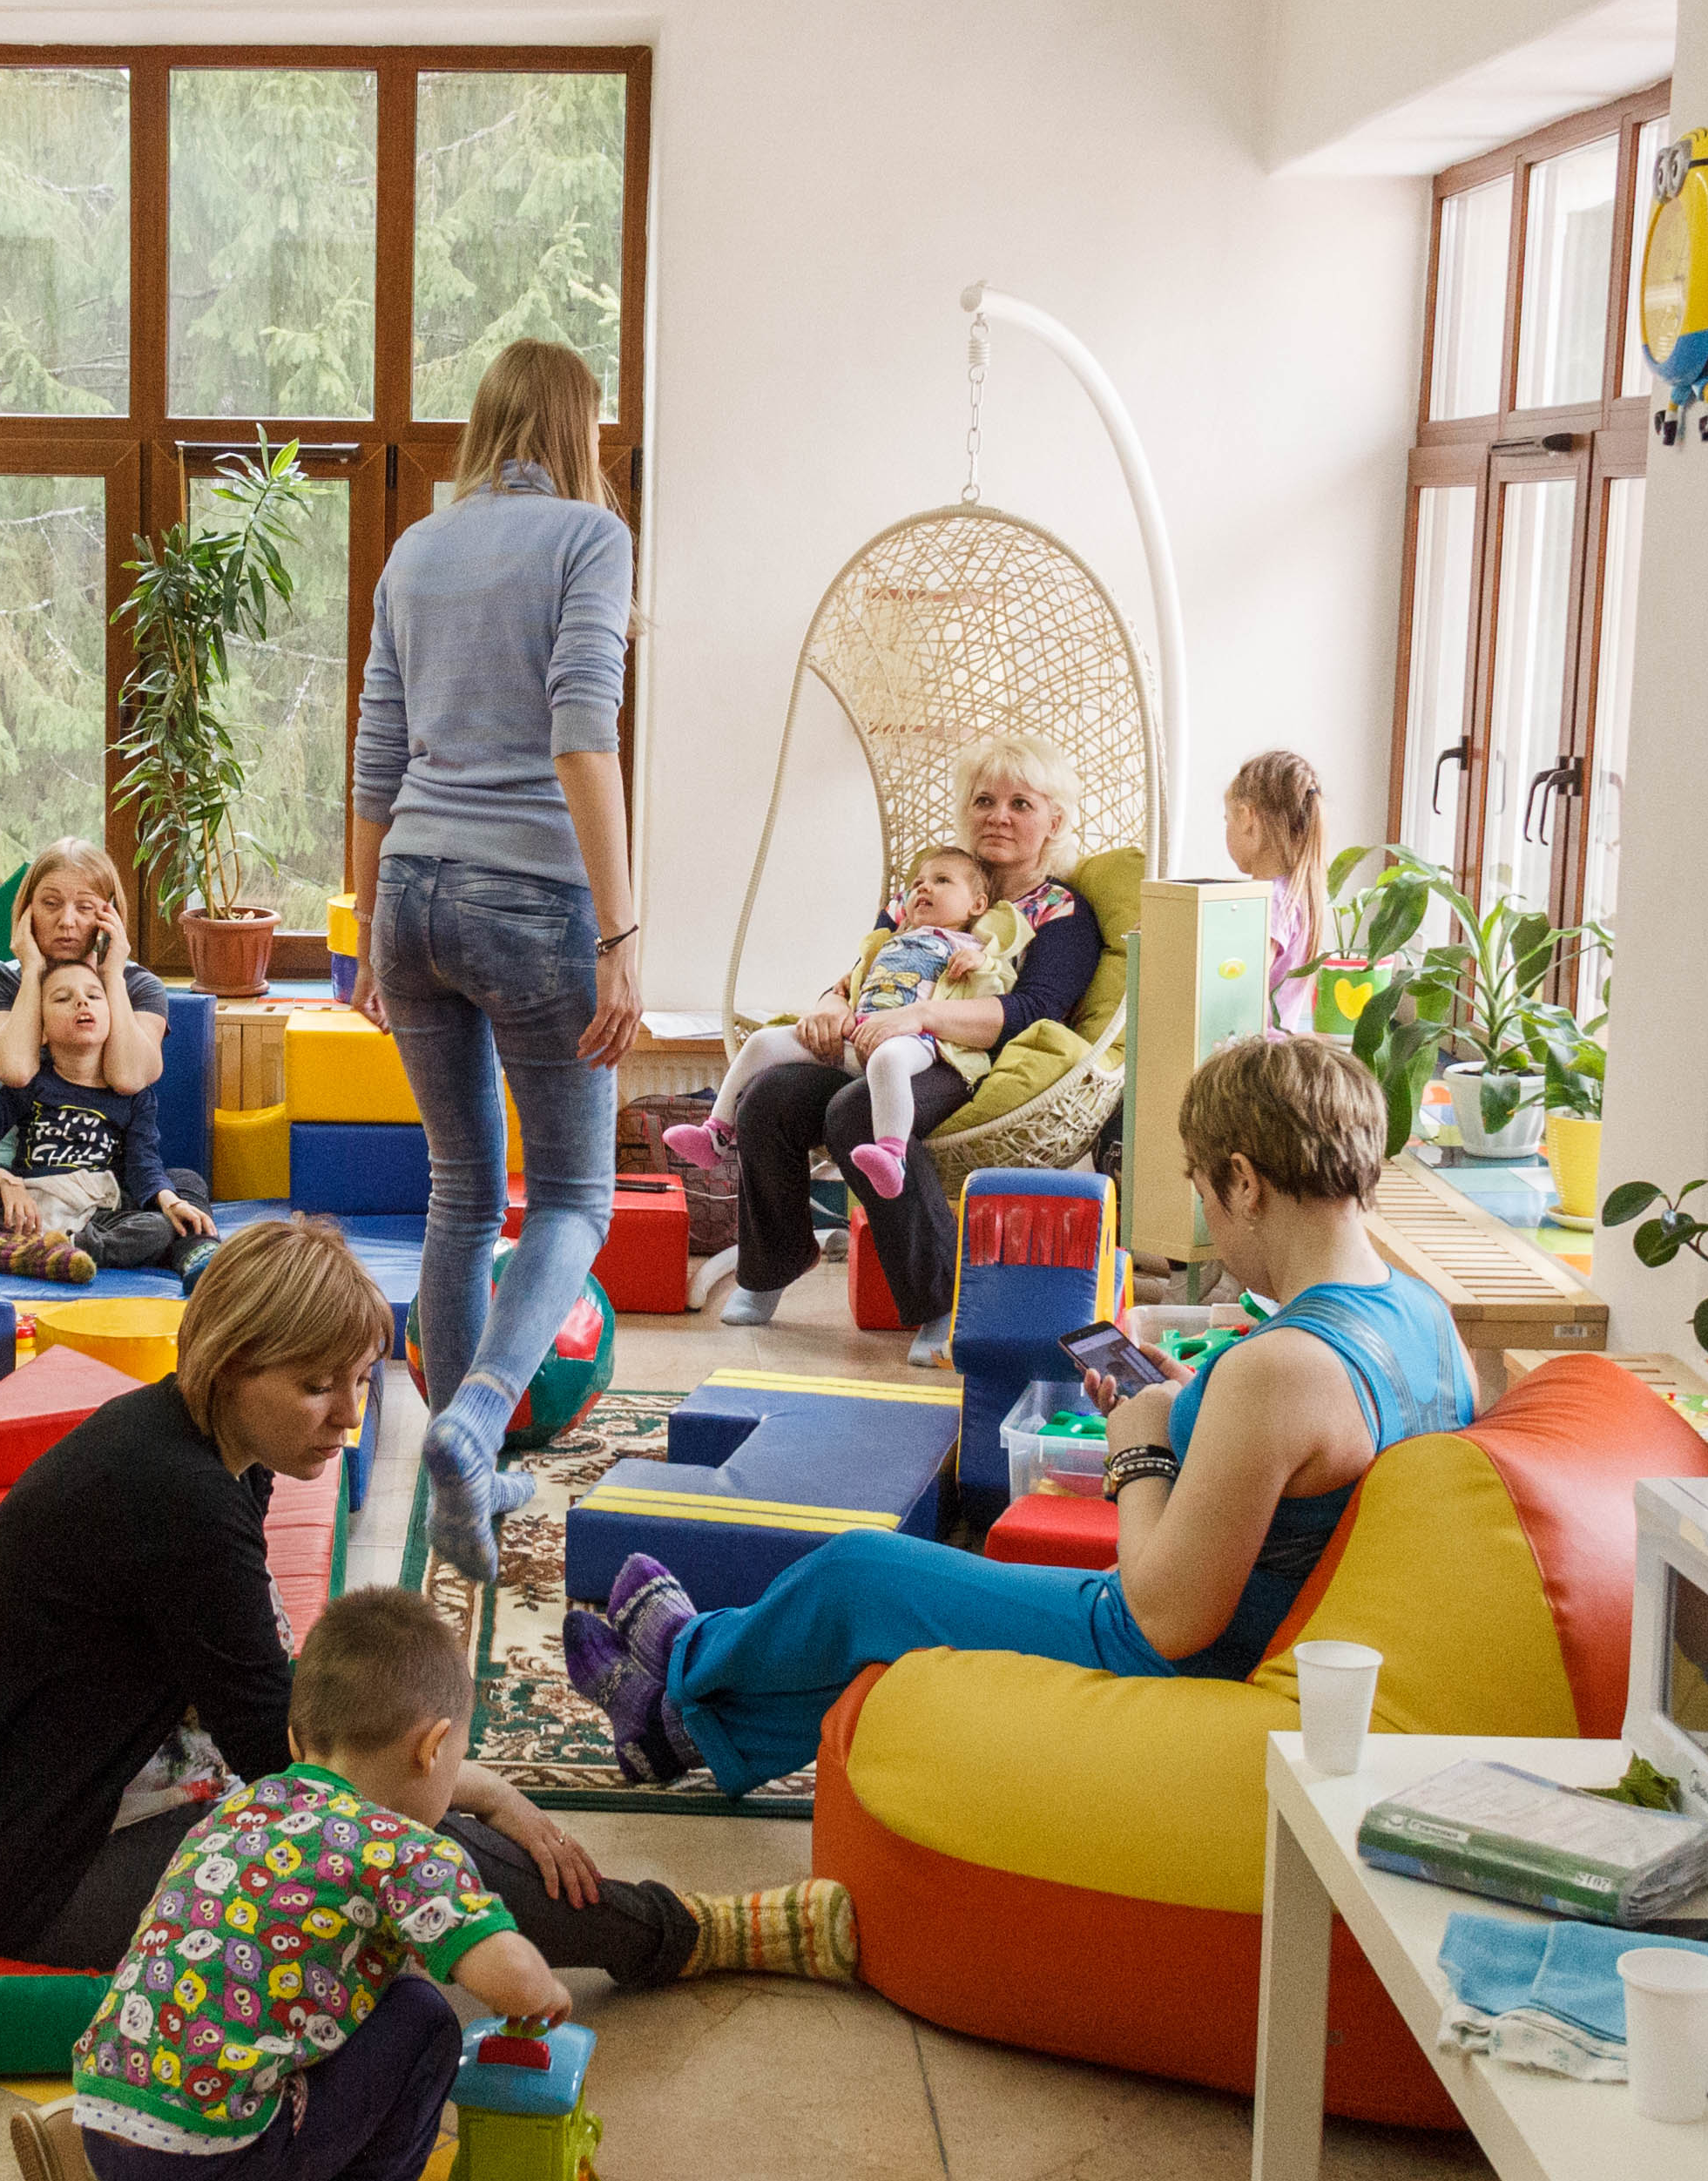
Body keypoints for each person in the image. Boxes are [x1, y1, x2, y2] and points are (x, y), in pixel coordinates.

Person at [0, 1217, 854, 1983]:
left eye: (357, 1380)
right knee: (402, 1846)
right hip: (35, 1875)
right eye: (316, 1386)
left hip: (54, 1807)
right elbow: (298, 1771)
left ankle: (631, 1916)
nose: (348, 1416)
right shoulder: (179, 1497)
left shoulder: (203, 1444)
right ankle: (680, 1933)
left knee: (405, 1794)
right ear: (230, 1364)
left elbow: (258, 1688)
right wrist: (477, 1789)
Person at [572, 1035, 1475, 1796]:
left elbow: (1163, 1620)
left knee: (859, 1574)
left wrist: (1140, 1448)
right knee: (890, 1621)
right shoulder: (1427, 1320)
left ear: (1242, 1181)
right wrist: (1190, 1403)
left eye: (1202, 1191)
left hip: (1164, 1650)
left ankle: (685, 1661)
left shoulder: (1278, 1371)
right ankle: (677, 1730)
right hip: (1287, 1634)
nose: (1208, 1217)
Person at [5, 1586, 570, 2181]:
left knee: (287, 1995)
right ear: (433, 1747)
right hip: (208, 2179)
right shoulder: (404, 1850)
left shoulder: (239, 1808)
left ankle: (80, 2148)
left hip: (110, 2111)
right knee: (423, 2022)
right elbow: (509, 1981)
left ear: (298, 1736)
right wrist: (545, 1988)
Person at [348, 337, 642, 1582]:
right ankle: (474, 1422)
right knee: (573, 1197)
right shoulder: (589, 537)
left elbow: (376, 751)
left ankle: (454, 1483)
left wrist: (368, 931)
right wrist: (618, 933)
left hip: (410, 891)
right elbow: (581, 734)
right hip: (529, 897)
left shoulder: (416, 548)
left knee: (459, 1193)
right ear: (577, 427)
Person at [722, 732, 1108, 1336]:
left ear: (1054, 821)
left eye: (1020, 804)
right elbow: (869, 968)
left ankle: (939, 1303)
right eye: (984, 801)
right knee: (769, 1096)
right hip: (879, 1040)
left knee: (856, 1112)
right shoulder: (926, 890)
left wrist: (921, 1018)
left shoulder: (1060, 912)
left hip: (967, 1061)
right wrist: (830, 1003)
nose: (998, 816)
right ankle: (774, 1263)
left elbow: (1036, 1010)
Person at [665, 845, 1011, 1203]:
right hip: (855, 1033)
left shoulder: (970, 948)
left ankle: (892, 1156)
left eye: (942, 881)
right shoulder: (890, 941)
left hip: (914, 1041)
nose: (924, 887)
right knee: (762, 1043)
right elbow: (849, 984)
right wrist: (837, 999)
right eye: (918, 883)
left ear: (977, 905)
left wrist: (981, 964)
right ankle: (716, 1134)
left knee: (887, 1060)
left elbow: (996, 987)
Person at [0, 839, 171, 1233]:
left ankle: (36, 1244)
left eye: (85, 907)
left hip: (104, 1180)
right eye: (51, 904)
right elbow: (17, 1070)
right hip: (9, 1175)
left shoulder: (140, 985)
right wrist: (33, 970)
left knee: (184, 1188)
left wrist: (111, 974)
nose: (67, 921)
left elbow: (129, 1077)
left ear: (109, 915)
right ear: (27, 910)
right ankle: (39, 1242)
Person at [0, 955, 217, 1284]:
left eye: (94, 996)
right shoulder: (29, 1087)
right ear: (40, 1031)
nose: (82, 1002)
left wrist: (169, 1200)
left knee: (157, 1226)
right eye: (62, 999)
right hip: (30, 1213)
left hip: (97, 1215)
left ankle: (59, 1252)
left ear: (113, 1018)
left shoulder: (134, 1095)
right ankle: (31, 1254)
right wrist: (5, 1181)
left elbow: (144, 1164)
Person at [1226, 747, 1332, 1031]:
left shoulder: (1270, 901)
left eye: (1228, 820)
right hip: (1276, 1048)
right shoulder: (1296, 894)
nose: (1227, 830)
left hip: (1253, 1052)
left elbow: (1237, 985)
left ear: (1247, 817)